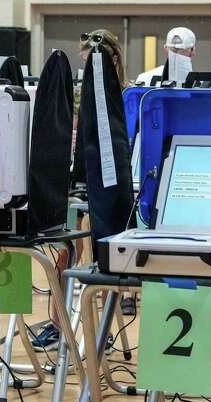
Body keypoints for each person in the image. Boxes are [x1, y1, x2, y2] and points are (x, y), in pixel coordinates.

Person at [32, 29, 128, 350]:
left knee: (104, 253)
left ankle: (101, 328)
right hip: (78, 183)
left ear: (113, 59)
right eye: (84, 63)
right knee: (68, 253)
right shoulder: (76, 97)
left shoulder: (127, 97)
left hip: (116, 187)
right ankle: (59, 324)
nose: (87, 70)